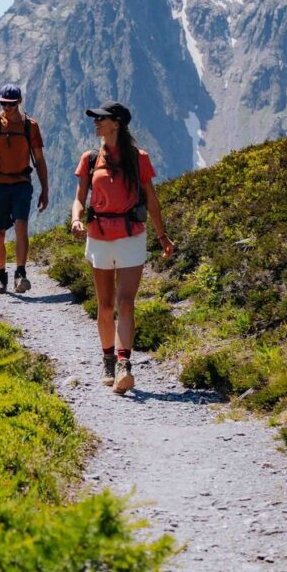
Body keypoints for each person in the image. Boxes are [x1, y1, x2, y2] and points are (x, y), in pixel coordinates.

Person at [70, 102, 174, 394]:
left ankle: (124, 365)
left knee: (125, 302)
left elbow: (151, 199)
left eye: (100, 119)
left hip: (131, 236)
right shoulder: (90, 159)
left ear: (115, 123)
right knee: (104, 307)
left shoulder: (139, 159)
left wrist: (162, 236)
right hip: (98, 235)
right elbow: (79, 197)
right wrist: (77, 219)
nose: (96, 124)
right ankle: (107, 360)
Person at [0, 85, 49, 294]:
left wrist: (45, 190)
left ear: (19, 102)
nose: (7, 107)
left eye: (11, 104)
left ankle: (20, 273)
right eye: (3, 103)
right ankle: (0, 275)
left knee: (21, 226)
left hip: (22, 183)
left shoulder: (30, 126)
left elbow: (39, 160)